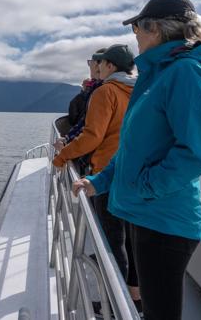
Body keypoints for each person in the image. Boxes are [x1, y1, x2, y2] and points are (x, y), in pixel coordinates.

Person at [73, 0, 201, 320]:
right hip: (146, 211)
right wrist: (99, 182)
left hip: (164, 218)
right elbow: (132, 149)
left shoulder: (185, 72)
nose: (136, 37)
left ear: (155, 29)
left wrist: (146, 187)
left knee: (161, 312)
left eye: (137, 30)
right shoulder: (154, 75)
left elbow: (197, 150)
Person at [53, 45, 140, 314]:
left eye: (100, 64)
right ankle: (135, 299)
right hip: (134, 173)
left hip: (107, 172)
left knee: (112, 242)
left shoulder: (107, 91)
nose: (97, 68)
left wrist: (62, 156)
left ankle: (114, 306)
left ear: (111, 66)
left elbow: (92, 136)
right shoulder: (140, 89)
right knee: (130, 239)